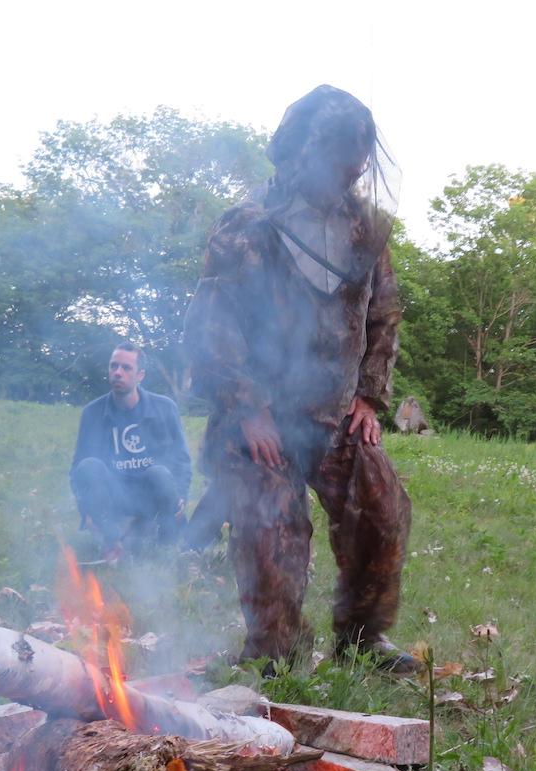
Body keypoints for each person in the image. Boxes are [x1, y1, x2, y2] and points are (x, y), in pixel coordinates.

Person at [184, 84, 416, 676]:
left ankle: (362, 641)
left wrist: (369, 396)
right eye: (340, 160)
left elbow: (382, 314)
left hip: (337, 413)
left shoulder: (366, 230)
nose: (350, 173)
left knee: (383, 510)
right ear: (304, 152)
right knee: (271, 525)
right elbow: (214, 325)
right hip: (260, 418)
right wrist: (247, 409)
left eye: (357, 163)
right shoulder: (248, 225)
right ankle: (276, 655)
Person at [70, 341, 191, 558]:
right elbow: (78, 469)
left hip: (151, 494)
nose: (118, 373)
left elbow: (181, 457)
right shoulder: (93, 413)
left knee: (159, 472)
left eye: (126, 368)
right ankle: (111, 541)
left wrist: (180, 494)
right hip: (114, 496)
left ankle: (167, 543)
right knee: (89, 466)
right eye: (113, 366)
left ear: (140, 375)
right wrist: (85, 507)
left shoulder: (164, 408)